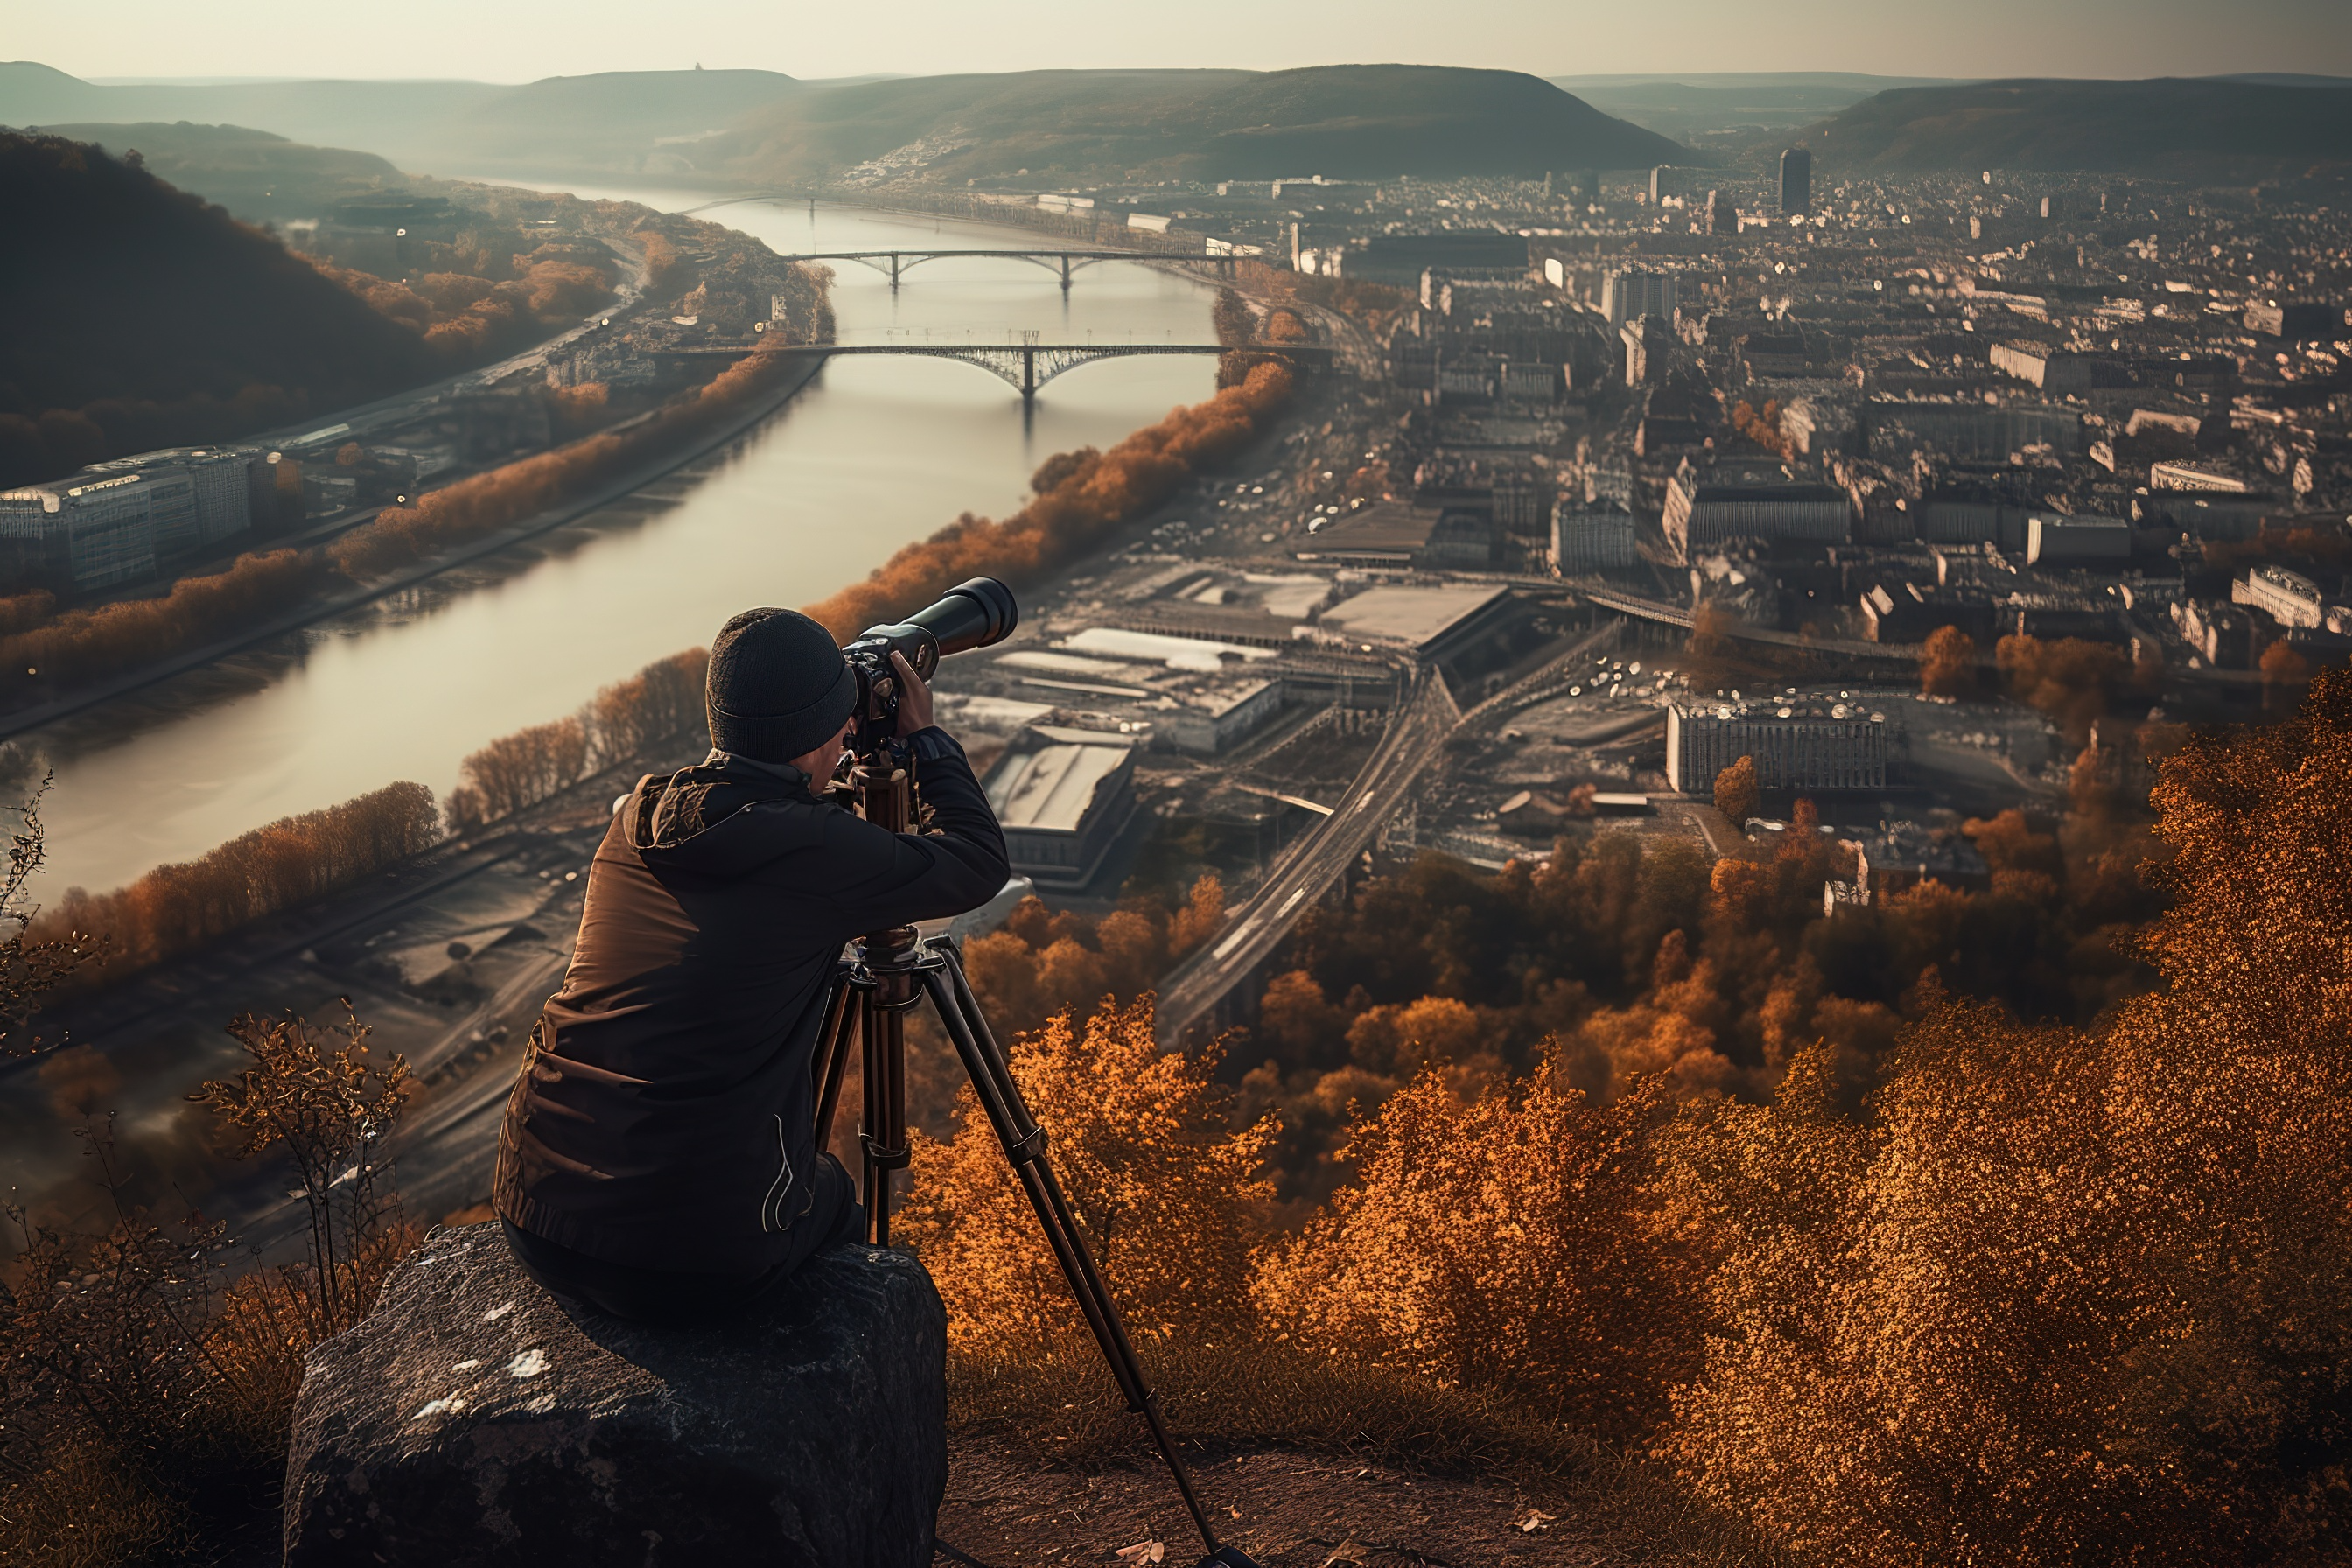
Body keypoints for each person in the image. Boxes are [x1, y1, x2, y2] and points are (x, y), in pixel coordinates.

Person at [494, 606, 1010, 1326]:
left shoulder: (638, 813)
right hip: (689, 1259)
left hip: (533, 1211)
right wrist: (924, 740)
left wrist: (826, 765)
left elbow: (764, 827)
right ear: (818, 734)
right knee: (833, 1195)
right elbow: (980, 862)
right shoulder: (818, 857)